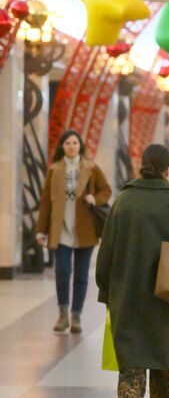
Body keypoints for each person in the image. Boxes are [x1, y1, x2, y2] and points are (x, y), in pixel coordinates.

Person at [95, 144, 169, 398]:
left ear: (142, 165)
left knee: (132, 358)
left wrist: (106, 291)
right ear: (168, 170)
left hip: (127, 295)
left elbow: (106, 251)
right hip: (167, 297)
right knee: (165, 359)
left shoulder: (124, 200)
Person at [36, 129, 112, 334]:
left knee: (81, 274)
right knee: (62, 270)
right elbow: (45, 202)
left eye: (75, 143)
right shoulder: (54, 170)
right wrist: (41, 231)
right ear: (62, 146)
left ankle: (76, 315)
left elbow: (106, 190)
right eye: (68, 143)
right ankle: (63, 313)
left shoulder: (91, 167)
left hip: (85, 229)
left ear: (80, 146)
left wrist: (95, 198)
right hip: (60, 229)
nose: (71, 146)